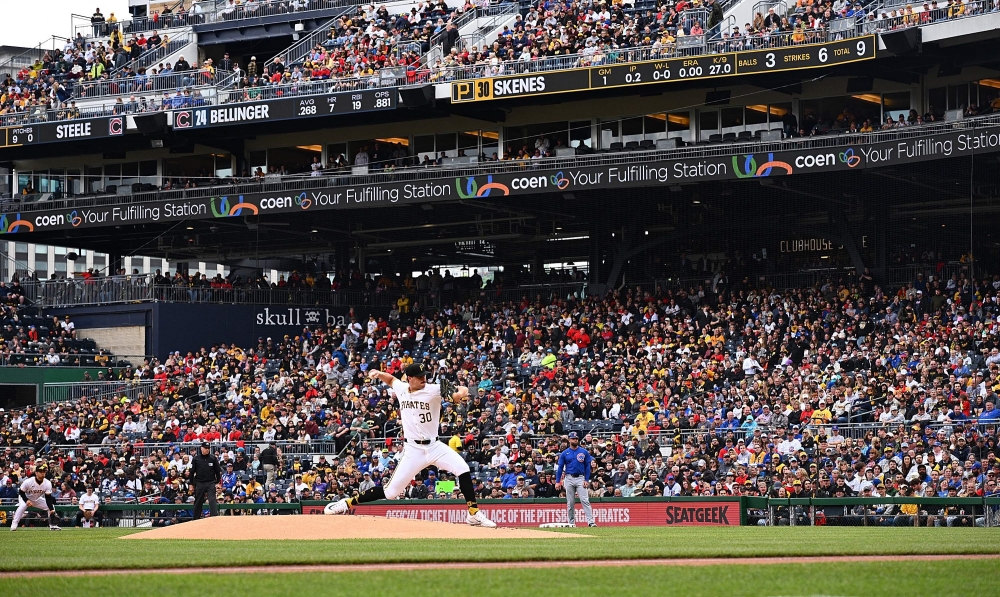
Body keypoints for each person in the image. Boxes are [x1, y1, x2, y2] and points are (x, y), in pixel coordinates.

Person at [325, 363, 496, 527]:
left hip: (434, 446)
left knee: (463, 469)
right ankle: (347, 503)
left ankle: (473, 514)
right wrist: (378, 374)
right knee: (390, 493)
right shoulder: (401, 388)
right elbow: (392, 380)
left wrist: (463, 389)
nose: (424, 379)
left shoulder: (435, 388)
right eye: (420, 377)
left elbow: (459, 395)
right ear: (409, 378)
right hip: (413, 450)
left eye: (425, 376)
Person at [555, 431, 596, 527]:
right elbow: (560, 468)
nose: (575, 440)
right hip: (569, 477)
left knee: (585, 500)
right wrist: (557, 481)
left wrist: (586, 479)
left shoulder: (583, 451)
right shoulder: (565, 453)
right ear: (569, 440)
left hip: (580, 478)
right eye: (573, 438)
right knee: (570, 502)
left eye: (576, 438)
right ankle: (571, 523)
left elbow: (587, 467)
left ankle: (591, 522)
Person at [11, 463, 61, 531]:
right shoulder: (29, 481)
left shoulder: (47, 483)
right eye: (41, 471)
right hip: (25, 497)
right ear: (36, 473)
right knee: (22, 506)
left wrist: (51, 509)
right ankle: (14, 525)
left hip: (36, 499)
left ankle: (53, 526)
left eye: (44, 471)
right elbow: (21, 492)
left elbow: (48, 498)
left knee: (51, 507)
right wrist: (26, 500)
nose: (43, 473)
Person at [191, 442, 222, 519]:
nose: (207, 450)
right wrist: (191, 484)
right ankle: (196, 518)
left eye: (208, 448)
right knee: (198, 501)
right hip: (200, 482)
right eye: (205, 448)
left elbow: (217, 471)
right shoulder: (196, 459)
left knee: (212, 500)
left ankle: (214, 517)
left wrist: (217, 481)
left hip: (210, 482)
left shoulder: (213, 458)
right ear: (201, 448)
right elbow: (192, 472)